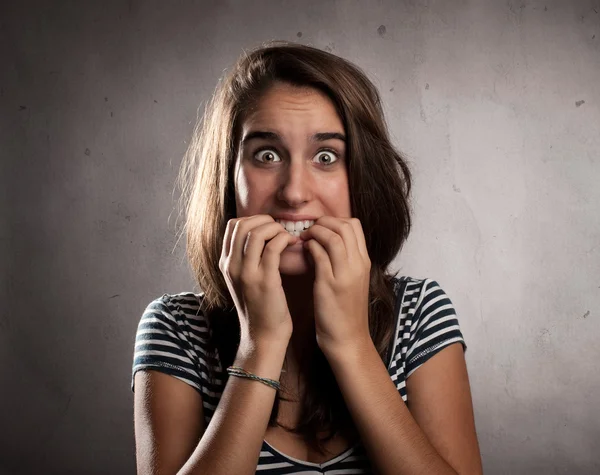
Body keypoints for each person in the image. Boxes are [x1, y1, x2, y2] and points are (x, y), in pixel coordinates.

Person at [131, 40, 483, 475]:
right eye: (267, 154)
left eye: (326, 156)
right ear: (228, 180)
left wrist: (350, 343)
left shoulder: (420, 314)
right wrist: (259, 346)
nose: (294, 192)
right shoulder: (176, 328)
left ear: (361, 180)